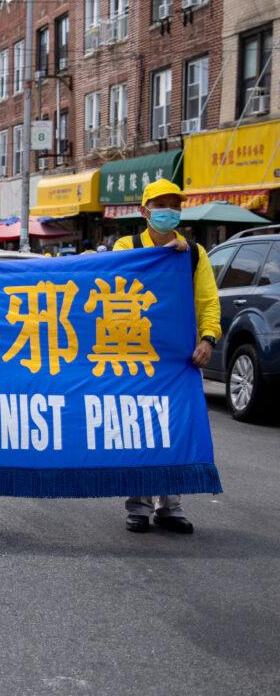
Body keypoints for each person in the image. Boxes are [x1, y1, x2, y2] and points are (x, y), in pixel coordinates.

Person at [113, 179, 220, 535]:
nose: (168, 211)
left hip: (179, 358)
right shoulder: (127, 246)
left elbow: (207, 300)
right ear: (145, 211)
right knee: (139, 427)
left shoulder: (193, 253)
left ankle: (170, 505)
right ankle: (138, 506)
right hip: (134, 353)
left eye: (174, 204)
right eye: (160, 204)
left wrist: (208, 338)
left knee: (174, 427)